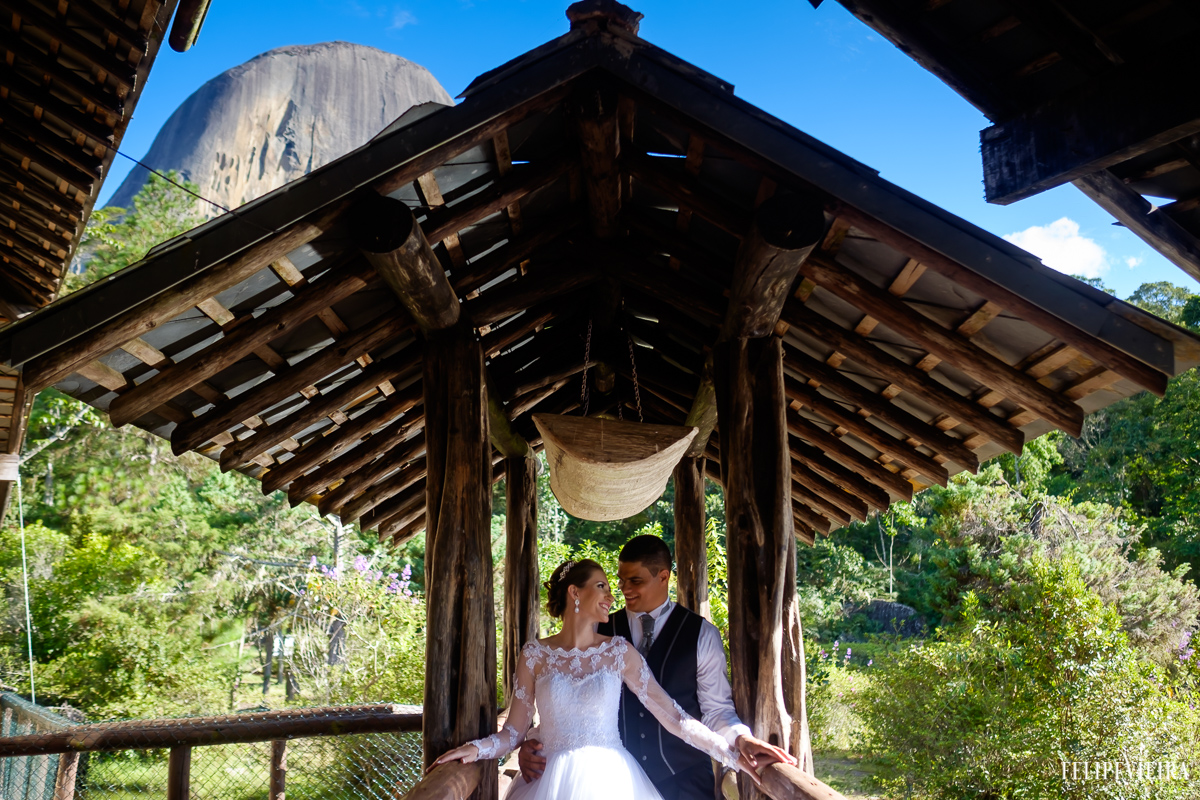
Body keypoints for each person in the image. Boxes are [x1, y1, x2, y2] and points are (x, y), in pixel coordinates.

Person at [432, 559, 761, 800]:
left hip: (612, 781)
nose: (612, 595)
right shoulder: (534, 654)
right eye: (602, 585)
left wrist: (733, 755)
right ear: (575, 592)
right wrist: (475, 749)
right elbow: (514, 732)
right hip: (548, 782)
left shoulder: (619, 651)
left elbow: (674, 717)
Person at [520, 535, 794, 800]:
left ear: (663, 576)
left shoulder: (702, 634)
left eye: (635, 580)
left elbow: (716, 710)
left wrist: (741, 741)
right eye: (621, 580)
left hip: (686, 782)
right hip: (608, 783)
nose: (624, 590)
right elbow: (564, 695)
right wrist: (532, 743)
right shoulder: (597, 629)